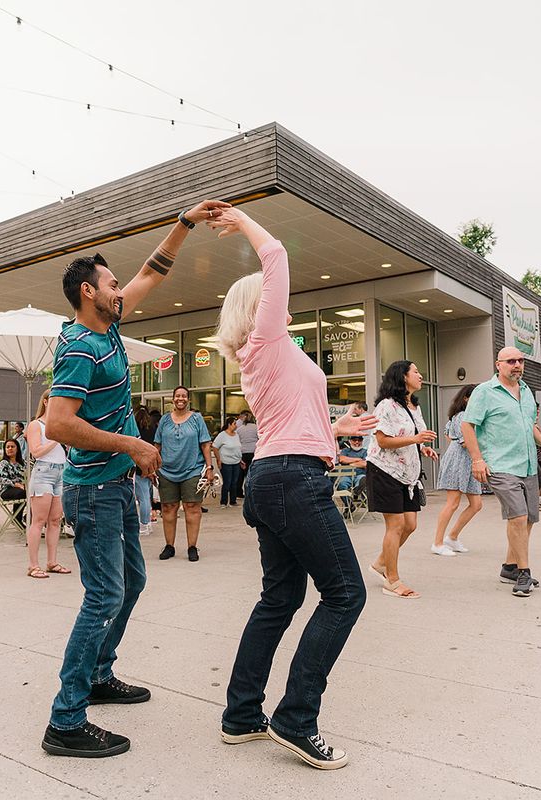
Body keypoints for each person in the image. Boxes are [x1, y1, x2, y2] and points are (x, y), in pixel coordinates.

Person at [40, 198, 227, 759]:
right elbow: (58, 423)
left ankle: (99, 675)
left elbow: (152, 271)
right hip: (94, 489)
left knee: (133, 583)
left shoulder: (111, 327)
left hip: (118, 487)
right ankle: (65, 720)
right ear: (88, 294)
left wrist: (185, 224)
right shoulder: (80, 348)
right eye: (111, 283)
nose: (123, 290)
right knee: (103, 597)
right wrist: (132, 443)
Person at [212, 205, 373, 770]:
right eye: (272, 298)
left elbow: (289, 424)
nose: (282, 302)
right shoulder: (268, 339)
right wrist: (241, 219)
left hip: (276, 476)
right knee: (346, 593)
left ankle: (241, 716)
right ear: (259, 307)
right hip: (291, 481)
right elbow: (276, 255)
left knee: (280, 597)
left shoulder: (267, 358)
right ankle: (295, 718)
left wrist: (337, 428)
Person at [461, 348, 541, 597]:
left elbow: (530, 425)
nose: (517, 365)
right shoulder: (484, 392)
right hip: (500, 464)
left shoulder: (525, 390)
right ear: (498, 365)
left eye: (520, 361)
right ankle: (524, 573)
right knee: (517, 516)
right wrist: (477, 460)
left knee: (528, 519)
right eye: (511, 361)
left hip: (526, 464)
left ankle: (509, 567)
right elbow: (468, 425)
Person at [365, 361, 436, 599]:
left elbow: (413, 438)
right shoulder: (387, 406)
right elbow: (383, 441)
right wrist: (416, 440)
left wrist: (423, 447)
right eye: (415, 371)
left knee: (410, 525)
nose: (420, 375)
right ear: (402, 377)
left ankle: (380, 564)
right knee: (395, 526)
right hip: (384, 471)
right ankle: (392, 581)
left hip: (408, 476)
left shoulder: (414, 406)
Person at [154, 385, 215, 562]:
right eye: (177, 396)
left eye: (184, 396)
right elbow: (157, 446)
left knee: (192, 507)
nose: (180, 399)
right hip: (166, 471)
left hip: (192, 470)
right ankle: (169, 546)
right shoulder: (164, 420)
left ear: (188, 400)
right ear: (173, 399)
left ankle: (192, 547)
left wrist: (209, 468)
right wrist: (151, 467)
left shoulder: (197, 419)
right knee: (168, 508)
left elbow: (205, 444)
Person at [431, 384, 483, 556]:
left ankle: (452, 538)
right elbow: (463, 441)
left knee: (476, 505)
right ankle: (437, 543)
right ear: (466, 399)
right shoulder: (462, 416)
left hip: (468, 460)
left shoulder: (462, 416)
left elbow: (447, 433)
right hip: (459, 459)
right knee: (452, 502)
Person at [26, 390, 70, 579]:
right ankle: (33, 565)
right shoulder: (37, 425)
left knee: (55, 520)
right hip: (44, 472)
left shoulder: (60, 425)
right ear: (45, 402)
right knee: (39, 520)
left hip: (61, 470)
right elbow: (36, 451)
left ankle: (52, 561)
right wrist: (55, 439)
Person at [132, 406, 157, 536]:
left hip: (137, 466)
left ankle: (144, 524)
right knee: (147, 496)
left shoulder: (134, 429)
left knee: (142, 498)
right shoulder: (152, 429)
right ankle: (148, 524)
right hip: (150, 465)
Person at [212, 417, 244, 509]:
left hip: (236, 461)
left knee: (235, 482)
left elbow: (237, 448)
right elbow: (215, 447)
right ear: (229, 424)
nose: (236, 425)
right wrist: (218, 459)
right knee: (227, 482)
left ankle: (233, 501)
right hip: (226, 462)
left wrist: (240, 460)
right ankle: (224, 501)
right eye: (234, 423)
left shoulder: (236, 435)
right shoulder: (222, 435)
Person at [0, 439, 27, 528]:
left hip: (21, 488)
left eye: (12, 447)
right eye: (7, 447)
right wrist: (17, 484)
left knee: (35, 493)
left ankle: (27, 517)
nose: (10, 449)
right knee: (24, 493)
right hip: (7, 490)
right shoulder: (3, 464)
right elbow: (3, 480)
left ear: (17, 449)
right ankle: (17, 519)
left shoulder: (22, 463)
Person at [235, 410, 257, 501]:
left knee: (240, 475)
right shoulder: (257, 428)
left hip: (242, 453)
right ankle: (251, 493)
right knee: (252, 474)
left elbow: (236, 441)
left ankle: (238, 493)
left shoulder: (239, 429)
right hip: (254, 452)